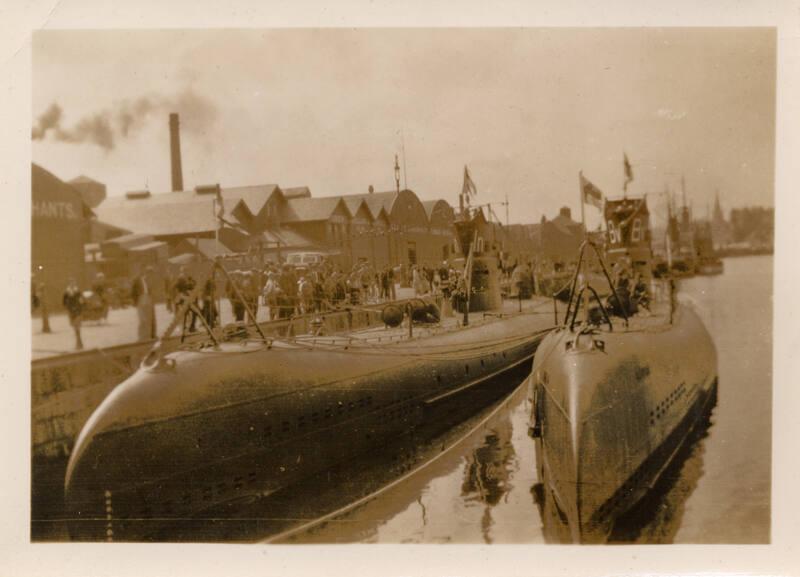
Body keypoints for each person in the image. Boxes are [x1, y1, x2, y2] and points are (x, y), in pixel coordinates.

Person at [131, 266, 157, 341]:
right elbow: (133, 292)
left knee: (149, 318)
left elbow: (150, 290)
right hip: (141, 299)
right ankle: (141, 337)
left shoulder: (148, 280)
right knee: (142, 319)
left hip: (148, 299)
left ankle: (148, 336)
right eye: (148, 273)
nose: (150, 275)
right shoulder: (137, 280)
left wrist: (151, 298)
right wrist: (135, 302)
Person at [62, 278, 84, 350]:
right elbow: (64, 302)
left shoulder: (78, 291)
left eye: (73, 282)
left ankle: (79, 343)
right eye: (71, 283)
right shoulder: (66, 292)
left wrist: (80, 306)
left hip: (77, 311)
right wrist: (68, 307)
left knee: (77, 327)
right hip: (71, 311)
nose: (72, 284)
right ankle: (79, 343)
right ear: (69, 284)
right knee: (75, 327)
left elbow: (82, 301)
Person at [173, 267, 197, 332]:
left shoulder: (188, 278)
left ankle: (190, 327)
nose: (186, 272)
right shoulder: (181, 279)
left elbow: (192, 285)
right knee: (188, 313)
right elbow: (176, 288)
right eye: (184, 271)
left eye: (186, 271)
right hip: (183, 299)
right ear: (182, 271)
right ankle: (188, 327)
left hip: (187, 299)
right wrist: (181, 295)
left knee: (191, 313)